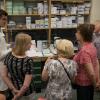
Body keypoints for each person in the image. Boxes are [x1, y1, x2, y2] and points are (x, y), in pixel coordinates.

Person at [1, 33, 34, 100]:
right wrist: (17, 97)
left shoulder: (9, 55)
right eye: (29, 43)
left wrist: (13, 89)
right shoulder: (28, 60)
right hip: (26, 93)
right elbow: (25, 86)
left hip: (13, 89)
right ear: (24, 45)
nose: (31, 44)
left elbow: (4, 75)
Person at [73, 24, 100, 100]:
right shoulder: (91, 46)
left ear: (82, 35)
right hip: (90, 83)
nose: (75, 33)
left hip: (84, 85)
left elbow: (91, 73)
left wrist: (96, 85)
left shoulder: (84, 51)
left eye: (77, 32)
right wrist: (98, 80)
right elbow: (96, 63)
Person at [0, 9, 11, 98]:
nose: (5, 22)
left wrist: (9, 45)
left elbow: (2, 46)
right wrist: (12, 49)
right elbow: (0, 55)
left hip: (3, 64)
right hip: (0, 65)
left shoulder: (0, 30)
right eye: (3, 19)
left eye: (6, 19)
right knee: (2, 90)